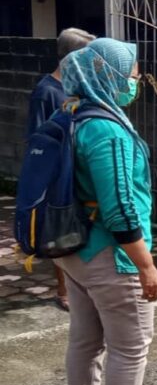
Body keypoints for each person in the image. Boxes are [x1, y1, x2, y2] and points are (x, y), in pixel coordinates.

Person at [54, 38, 157, 385]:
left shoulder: (72, 113)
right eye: (132, 71)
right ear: (108, 74)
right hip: (112, 256)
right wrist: (146, 265)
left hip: (76, 249)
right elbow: (120, 207)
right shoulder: (107, 129)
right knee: (130, 348)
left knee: (85, 342)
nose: (136, 78)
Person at [27, 28, 96, 311]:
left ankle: (80, 283)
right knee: (59, 230)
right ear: (72, 57)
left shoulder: (76, 87)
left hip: (78, 170)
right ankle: (63, 288)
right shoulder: (46, 92)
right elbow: (38, 138)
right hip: (58, 173)